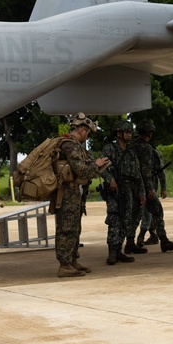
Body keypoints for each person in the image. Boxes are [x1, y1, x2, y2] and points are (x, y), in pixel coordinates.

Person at [54, 113, 110, 278]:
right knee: (66, 228)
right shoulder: (71, 145)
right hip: (68, 193)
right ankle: (64, 264)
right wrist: (96, 164)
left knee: (74, 228)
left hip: (74, 193)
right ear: (81, 129)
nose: (87, 136)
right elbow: (81, 169)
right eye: (87, 132)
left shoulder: (75, 146)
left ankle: (72, 260)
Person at [132, 119, 173, 253]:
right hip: (144, 187)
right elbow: (145, 170)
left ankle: (131, 242)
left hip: (132, 186)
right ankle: (163, 241)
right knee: (157, 211)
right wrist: (149, 189)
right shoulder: (146, 148)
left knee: (135, 215)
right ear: (150, 133)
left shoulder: (131, 147)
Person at [100, 120, 144, 265]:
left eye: (130, 132)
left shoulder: (131, 151)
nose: (129, 135)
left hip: (128, 189)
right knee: (114, 220)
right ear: (119, 133)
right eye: (126, 132)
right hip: (114, 190)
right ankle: (112, 252)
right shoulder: (109, 149)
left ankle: (119, 250)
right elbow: (102, 167)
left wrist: (142, 192)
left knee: (126, 221)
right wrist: (110, 180)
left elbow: (138, 174)